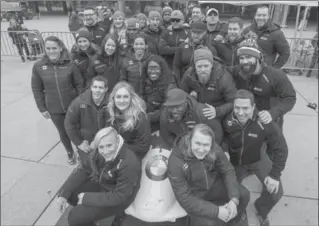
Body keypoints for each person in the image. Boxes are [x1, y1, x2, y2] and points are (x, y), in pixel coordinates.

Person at [223, 89, 288, 226]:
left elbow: (281, 149)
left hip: (257, 159)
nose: (240, 112)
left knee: (276, 192)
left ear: (253, 107)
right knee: (230, 192)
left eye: (245, 108)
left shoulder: (265, 122)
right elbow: (220, 137)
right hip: (235, 163)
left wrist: (275, 176)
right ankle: (240, 215)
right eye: (237, 108)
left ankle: (260, 209)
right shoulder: (227, 119)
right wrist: (224, 150)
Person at [56, 127, 141, 226]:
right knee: (70, 194)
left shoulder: (129, 162)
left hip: (118, 197)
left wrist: (86, 198)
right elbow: (85, 169)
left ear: (117, 141)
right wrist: (64, 193)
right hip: (104, 183)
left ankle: (95, 215)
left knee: (74, 217)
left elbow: (120, 196)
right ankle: (90, 218)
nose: (105, 151)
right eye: (101, 147)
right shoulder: (98, 151)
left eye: (109, 145)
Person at [167, 123, 250, 226]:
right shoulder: (175, 163)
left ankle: (234, 221)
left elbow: (227, 170)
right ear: (190, 140)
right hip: (195, 195)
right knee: (210, 224)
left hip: (213, 184)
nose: (201, 150)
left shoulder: (214, 148)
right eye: (197, 143)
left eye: (206, 145)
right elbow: (185, 198)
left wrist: (234, 199)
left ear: (211, 143)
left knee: (244, 194)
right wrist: (217, 211)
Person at [31, 36, 83, 164]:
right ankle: (70, 152)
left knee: (76, 130)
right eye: (48, 48)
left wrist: (80, 103)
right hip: (54, 108)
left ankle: (81, 151)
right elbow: (36, 89)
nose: (51, 51)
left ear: (60, 48)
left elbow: (79, 84)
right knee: (63, 132)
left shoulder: (70, 64)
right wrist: (42, 108)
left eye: (54, 48)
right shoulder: (38, 66)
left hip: (72, 106)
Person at [233, 39, 296, 129]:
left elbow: (290, 98)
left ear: (258, 58)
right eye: (241, 58)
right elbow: (222, 70)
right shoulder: (238, 71)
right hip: (246, 119)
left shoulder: (276, 75)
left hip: (269, 121)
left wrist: (273, 112)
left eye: (248, 57)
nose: (244, 61)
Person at [64, 76, 109, 169]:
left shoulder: (111, 102)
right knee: (88, 167)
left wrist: (101, 140)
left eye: (101, 88)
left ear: (106, 89)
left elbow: (114, 122)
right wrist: (79, 143)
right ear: (91, 87)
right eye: (95, 87)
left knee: (106, 165)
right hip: (86, 142)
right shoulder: (79, 102)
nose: (97, 90)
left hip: (105, 140)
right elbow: (69, 123)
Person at [180, 48, 236, 120]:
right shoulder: (189, 75)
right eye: (199, 66)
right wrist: (190, 98)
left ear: (212, 65)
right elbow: (181, 94)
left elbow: (233, 102)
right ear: (194, 66)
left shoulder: (223, 78)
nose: (203, 70)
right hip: (196, 111)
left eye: (206, 66)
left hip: (217, 114)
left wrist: (217, 111)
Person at [107, 82, 151, 159]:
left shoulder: (140, 118)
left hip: (132, 158)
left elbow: (144, 147)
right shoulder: (111, 113)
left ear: (131, 98)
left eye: (125, 97)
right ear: (113, 99)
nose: (121, 100)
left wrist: (118, 148)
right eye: (118, 97)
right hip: (113, 155)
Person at [173, 22, 217, 86]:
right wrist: (179, 82)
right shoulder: (182, 46)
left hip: (202, 84)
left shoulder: (211, 49)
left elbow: (214, 69)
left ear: (204, 33)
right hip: (184, 82)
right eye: (194, 32)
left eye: (199, 33)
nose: (196, 36)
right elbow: (176, 65)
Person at [141, 55, 174, 132]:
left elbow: (167, 109)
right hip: (148, 115)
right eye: (150, 68)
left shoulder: (169, 85)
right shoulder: (145, 80)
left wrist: (148, 117)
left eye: (156, 68)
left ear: (162, 69)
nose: (153, 71)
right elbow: (141, 95)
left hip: (164, 121)